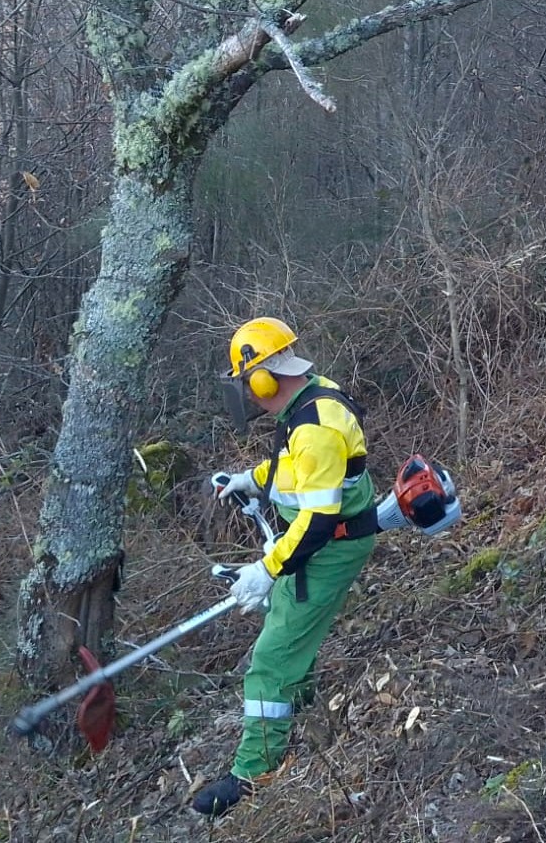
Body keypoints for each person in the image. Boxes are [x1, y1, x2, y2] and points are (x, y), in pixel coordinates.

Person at [195, 316, 378, 818]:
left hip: (329, 546)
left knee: (270, 658)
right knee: (287, 630)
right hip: (322, 540)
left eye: (246, 383)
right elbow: (295, 470)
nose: (248, 395)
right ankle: (301, 700)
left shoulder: (314, 425)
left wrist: (266, 569)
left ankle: (256, 770)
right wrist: (249, 481)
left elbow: (317, 519)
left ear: (262, 378)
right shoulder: (311, 399)